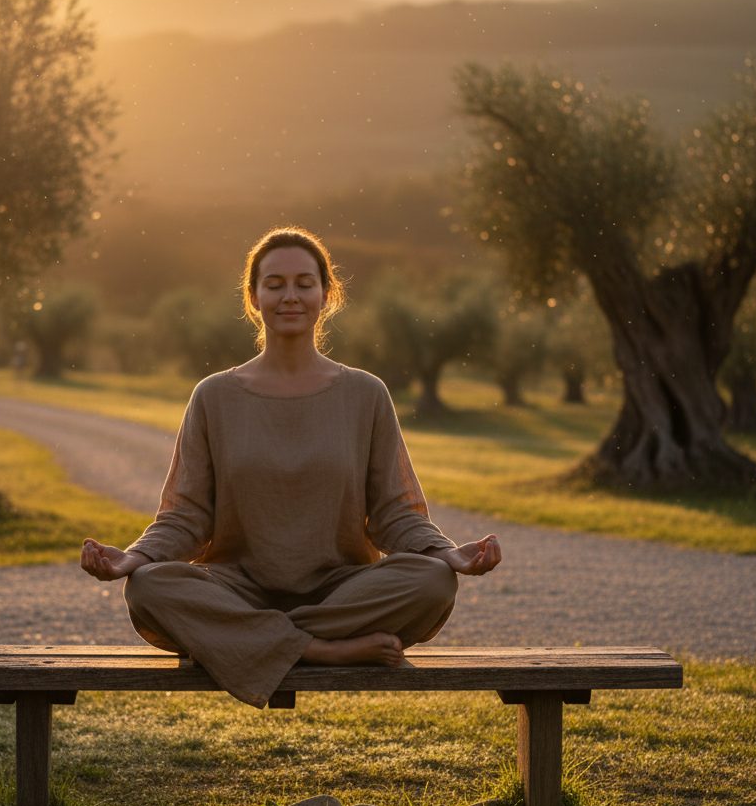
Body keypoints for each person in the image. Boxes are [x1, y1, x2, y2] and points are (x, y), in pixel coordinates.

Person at [81, 226, 501, 707]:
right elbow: (186, 516)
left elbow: (393, 512)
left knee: (431, 581)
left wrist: (448, 554)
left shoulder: (366, 394)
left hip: (338, 592)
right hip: (239, 589)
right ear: (254, 297)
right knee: (149, 588)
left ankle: (238, 643)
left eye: (304, 283)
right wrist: (132, 559)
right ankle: (319, 651)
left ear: (326, 295)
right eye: (274, 284)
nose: (290, 296)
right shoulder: (214, 396)